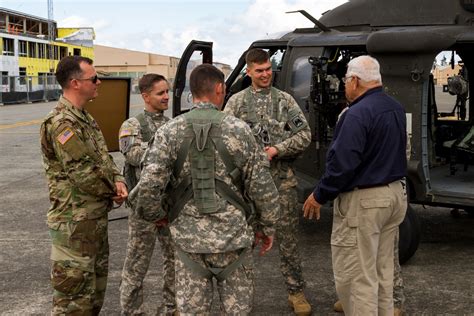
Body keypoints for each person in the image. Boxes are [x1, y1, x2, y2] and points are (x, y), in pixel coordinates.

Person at [134, 64, 280, 314]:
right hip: (233, 242)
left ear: (193, 92)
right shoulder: (239, 129)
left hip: (189, 245)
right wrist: (266, 227)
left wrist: (158, 216)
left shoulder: (170, 130)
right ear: (220, 89)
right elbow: (262, 187)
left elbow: (147, 186)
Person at [303, 55, 407, 315]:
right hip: (395, 195)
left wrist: (319, 194)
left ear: (355, 81)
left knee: (358, 277)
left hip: (366, 202)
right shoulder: (394, 107)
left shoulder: (356, 114)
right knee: (383, 271)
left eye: (347, 80)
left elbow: (342, 165)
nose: (345, 86)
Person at [224, 48, 312, 315]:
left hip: (281, 183)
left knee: (288, 242)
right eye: (259, 71)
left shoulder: (285, 101)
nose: (265, 75)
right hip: (247, 188)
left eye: (268, 70)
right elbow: (224, 140)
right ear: (248, 72)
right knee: (243, 241)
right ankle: (239, 294)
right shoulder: (236, 103)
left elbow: (305, 135)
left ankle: (296, 292)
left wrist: (277, 150)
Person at [40, 55, 128, 315]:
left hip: (94, 223)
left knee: (92, 299)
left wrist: (119, 179)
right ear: (75, 83)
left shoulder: (86, 119)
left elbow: (105, 158)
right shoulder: (61, 124)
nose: (99, 82)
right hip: (73, 228)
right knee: (73, 304)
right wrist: (114, 191)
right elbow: (82, 174)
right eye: (94, 78)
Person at [118, 74, 176, 315]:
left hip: (170, 206)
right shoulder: (132, 125)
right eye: (160, 93)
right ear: (145, 96)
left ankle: (172, 308)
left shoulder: (172, 124)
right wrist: (166, 152)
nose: (166, 97)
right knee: (137, 265)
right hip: (143, 209)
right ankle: (132, 311)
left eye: (167, 92)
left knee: (174, 261)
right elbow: (135, 155)